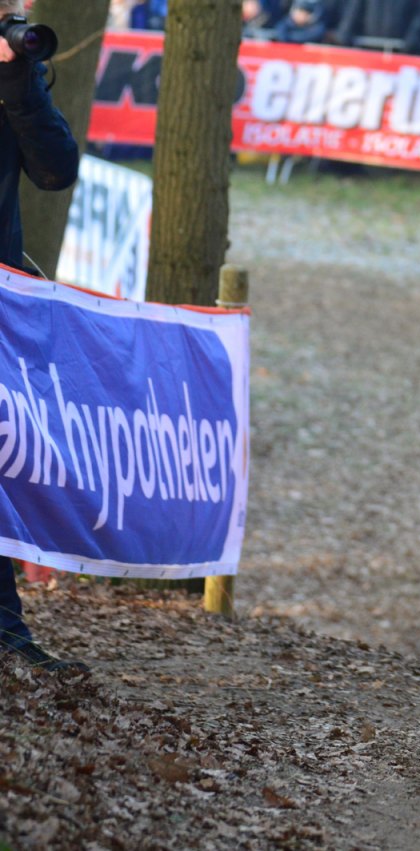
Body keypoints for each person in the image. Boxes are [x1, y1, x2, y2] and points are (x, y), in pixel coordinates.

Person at [0, 0, 85, 671]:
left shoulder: (20, 82)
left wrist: (16, 86)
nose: (14, 23)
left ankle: (7, 636)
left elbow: (56, 171)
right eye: (4, 11)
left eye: (18, 11)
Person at [334, 0, 420, 53]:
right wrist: (345, 32)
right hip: (370, 49)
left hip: (401, 52)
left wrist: (413, 38)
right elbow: (354, 10)